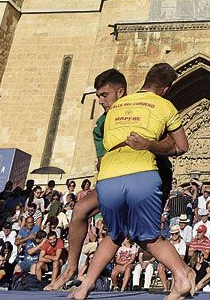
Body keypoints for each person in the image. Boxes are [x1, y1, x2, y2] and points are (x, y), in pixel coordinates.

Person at [72, 63, 192, 300]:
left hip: (108, 180)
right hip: (142, 177)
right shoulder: (164, 105)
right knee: (149, 237)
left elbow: (106, 146)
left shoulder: (113, 110)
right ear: (165, 89)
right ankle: (181, 276)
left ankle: (84, 286)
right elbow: (181, 146)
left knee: (114, 235)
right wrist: (150, 144)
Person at [44, 70, 127, 289]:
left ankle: (183, 273)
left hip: (141, 178)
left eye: (104, 95)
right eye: (98, 96)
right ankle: (70, 270)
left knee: (142, 235)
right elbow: (102, 161)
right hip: (114, 179)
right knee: (80, 209)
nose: (100, 101)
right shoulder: (100, 124)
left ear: (121, 92)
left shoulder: (135, 111)